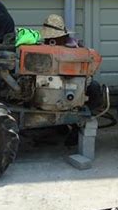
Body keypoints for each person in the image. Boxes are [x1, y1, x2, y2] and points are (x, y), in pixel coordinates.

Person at [41, 14, 103, 146]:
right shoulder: (42, 48)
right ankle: (55, 126)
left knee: (95, 89)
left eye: (56, 37)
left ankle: (78, 126)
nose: (53, 40)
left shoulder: (76, 47)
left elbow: (89, 69)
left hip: (74, 84)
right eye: (51, 38)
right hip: (49, 87)